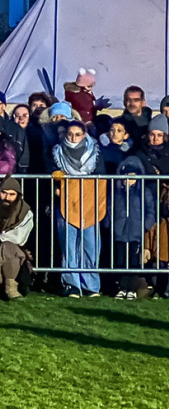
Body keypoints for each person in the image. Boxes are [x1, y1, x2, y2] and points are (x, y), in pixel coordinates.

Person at [52, 121, 107, 298]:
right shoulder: (57, 153)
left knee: (90, 245)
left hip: (90, 202)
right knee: (69, 246)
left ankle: (91, 285)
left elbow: (102, 175)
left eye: (77, 134)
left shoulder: (96, 153)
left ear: (84, 135)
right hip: (67, 203)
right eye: (70, 134)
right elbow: (51, 171)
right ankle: (72, 284)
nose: (73, 137)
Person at [106, 157, 156, 300]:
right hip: (119, 232)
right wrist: (110, 224)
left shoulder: (143, 192)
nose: (128, 180)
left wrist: (145, 226)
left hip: (135, 233)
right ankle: (122, 287)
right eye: (125, 177)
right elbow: (109, 208)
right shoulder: (115, 192)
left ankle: (132, 289)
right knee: (120, 261)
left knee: (134, 262)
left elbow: (150, 211)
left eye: (132, 177)